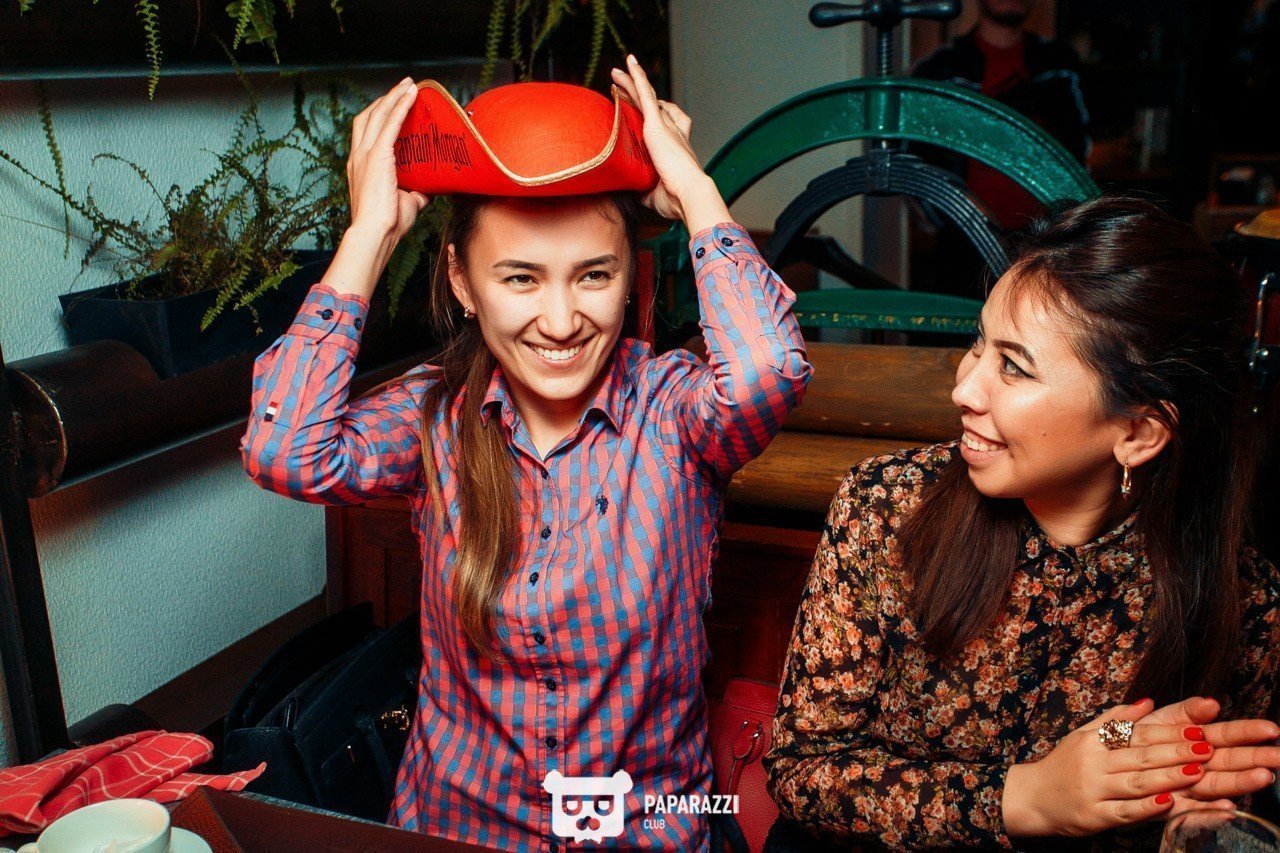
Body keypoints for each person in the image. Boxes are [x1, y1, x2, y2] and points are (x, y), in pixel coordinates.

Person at [240, 57, 811, 851]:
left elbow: (768, 371)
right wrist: (369, 236)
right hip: (456, 829)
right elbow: (284, 450)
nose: (561, 318)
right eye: (520, 278)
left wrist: (693, 191)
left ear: (631, 276)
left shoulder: (671, 411)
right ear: (462, 282)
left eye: (593, 274)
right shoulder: (435, 413)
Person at [763, 197, 1280, 850]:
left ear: (1138, 432)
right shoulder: (888, 505)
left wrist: (1138, 775)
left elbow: (1115, 747)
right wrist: (1027, 796)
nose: (964, 388)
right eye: (979, 343)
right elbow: (804, 769)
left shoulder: (1242, 599)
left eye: (1013, 366)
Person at [914, 0, 1089, 232]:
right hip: (967, 239)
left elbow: (1079, 147)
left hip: (1049, 237)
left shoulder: (1059, 64)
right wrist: (947, 215)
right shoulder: (940, 70)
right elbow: (914, 160)